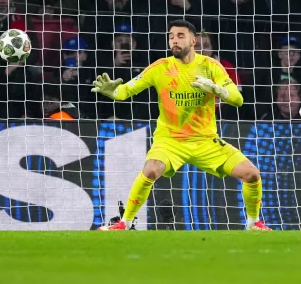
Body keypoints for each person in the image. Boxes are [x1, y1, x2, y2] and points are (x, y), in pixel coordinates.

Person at [92, 19, 270, 231]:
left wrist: (218, 90)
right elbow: (125, 91)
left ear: (193, 40)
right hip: (170, 140)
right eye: (171, 36)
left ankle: (253, 223)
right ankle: (125, 223)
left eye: (180, 36)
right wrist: (113, 92)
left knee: (252, 174)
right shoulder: (160, 67)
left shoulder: (211, 66)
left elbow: (237, 99)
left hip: (205, 141)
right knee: (151, 170)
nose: (174, 40)